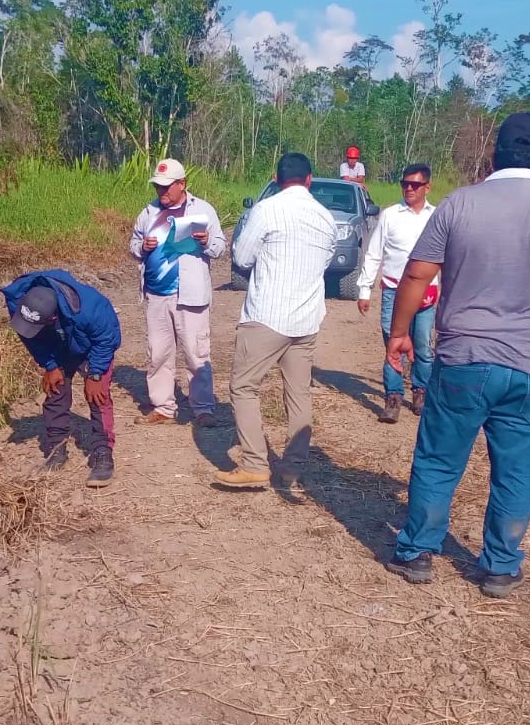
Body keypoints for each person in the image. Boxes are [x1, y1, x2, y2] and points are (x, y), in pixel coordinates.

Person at [381, 113, 530, 598]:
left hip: (465, 359)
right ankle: (499, 566)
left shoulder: (459, 206)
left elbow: (416, 275)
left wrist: (399, 333)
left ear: (496, 155)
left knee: (438, 459)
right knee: (515, 470)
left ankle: (415, 553)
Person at [215, 152, 337, 489]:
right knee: (298, 393)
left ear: (277, 178)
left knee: (243, 386)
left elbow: (241, 256)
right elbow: (325, 262)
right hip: (306, 318)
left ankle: (255, 464)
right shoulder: (325, 217)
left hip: (267, 315)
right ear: (309, 180)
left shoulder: (266, 210)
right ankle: (293, 466)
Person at [1, 269, 123, 488]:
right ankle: (57, 449)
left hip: (91, 346)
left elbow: (107, 339)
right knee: (54, 391)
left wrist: (95, 374)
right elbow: (30, 336)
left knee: (98, 396)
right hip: (57, 345)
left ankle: (103, 453)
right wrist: (50, 364)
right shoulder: (21, 303)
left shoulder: (91, 308)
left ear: (53, 317)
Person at [129, 158, 226, 427]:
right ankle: (163, 407)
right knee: (158, 353)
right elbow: (133, 244)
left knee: (196, 353)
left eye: (167, 187)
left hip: (190, 294)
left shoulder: (203, 210)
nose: (162, 193)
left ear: (182, 184)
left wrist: (207, 242)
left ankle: (203, 409)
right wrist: (143, 248)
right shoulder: (148, 212)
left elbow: (220, 247)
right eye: (158, 187)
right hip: (156, 295)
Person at [356, 162, 437, 424]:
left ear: (427, 187)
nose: (409, 189)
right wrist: (364, 289)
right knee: (394, 345)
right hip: (394, 290)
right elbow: (374, 252)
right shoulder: (390, 215)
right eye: (405, 184)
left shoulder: (436, 217)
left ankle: (420, 392)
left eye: (415, 185)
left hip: (427, 293)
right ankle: (392, 396)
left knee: (423, 346)